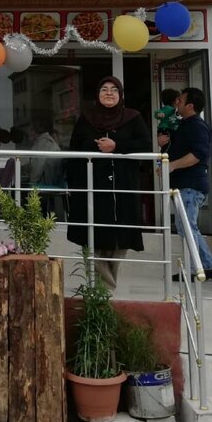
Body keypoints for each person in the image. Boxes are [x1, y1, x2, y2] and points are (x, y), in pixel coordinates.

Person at [66, 76, 152, 290]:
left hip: (123, 188)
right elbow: (74, 150)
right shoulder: (86, 119)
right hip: (91, 187)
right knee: (91, 237)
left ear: (120, 95)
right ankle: (105, 291)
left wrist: (116, 146)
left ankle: (103, 291)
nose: (109, 93)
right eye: (104, 89)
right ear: (97, 95)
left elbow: (145, 145)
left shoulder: (133, 118)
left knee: (120, 241)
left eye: (114, 90)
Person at [167, 88, 212, 280]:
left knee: (187, 227)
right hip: (183, 185)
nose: (177, 103)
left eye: (180, 101)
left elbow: (198, 155)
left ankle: (202, 267)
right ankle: (205, 266)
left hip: (191, 185)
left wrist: (172, 165)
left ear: (190, 106)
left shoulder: (197, 126)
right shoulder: (184, 125)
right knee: (186, 227)